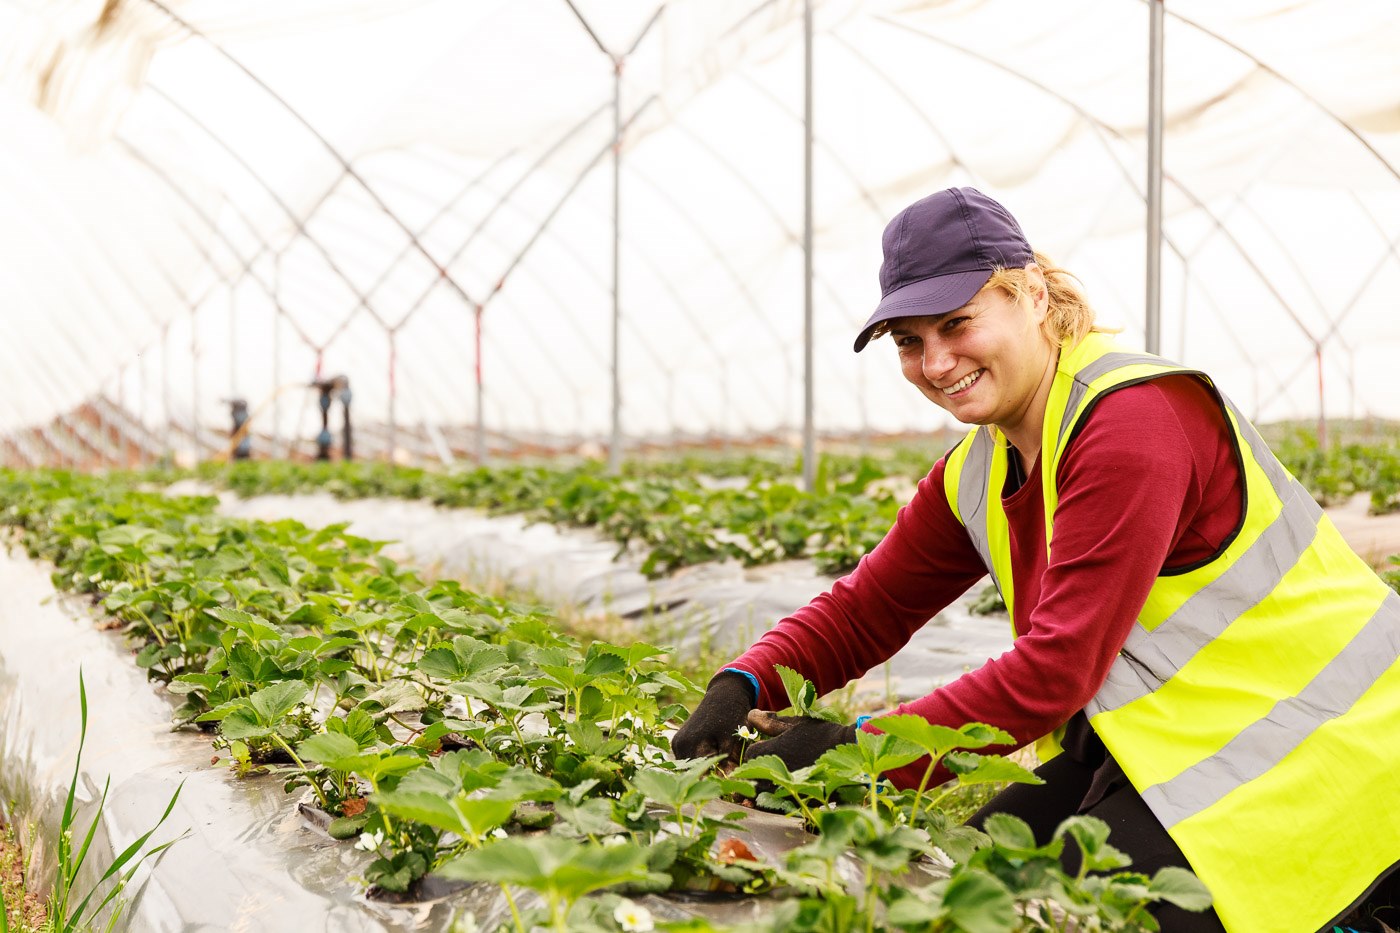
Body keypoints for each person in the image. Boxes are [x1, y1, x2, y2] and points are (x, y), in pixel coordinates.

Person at [670, 187, 1400, 933]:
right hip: (1170, 747)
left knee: (1058, 917)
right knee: (963, 892)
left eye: (957, 323)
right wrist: (745, 678)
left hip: (1326, 751)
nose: (937, 361)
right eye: (910, 342)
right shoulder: (981, 465)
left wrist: (857, 751)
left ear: (1034, 293)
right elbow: (868, 607)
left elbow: (1055, 670)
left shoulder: (1132, 421)